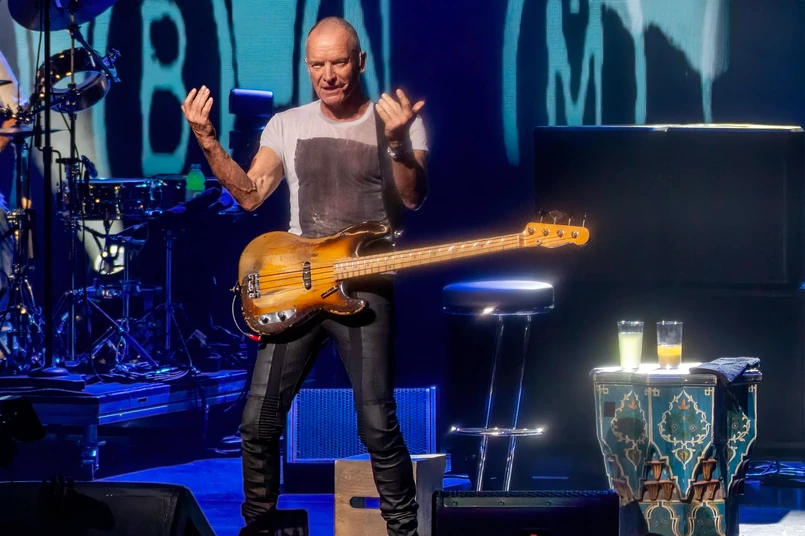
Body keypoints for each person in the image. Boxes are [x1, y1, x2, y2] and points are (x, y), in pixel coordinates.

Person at [182, 16, 428, 536]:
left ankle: (404, 530)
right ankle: (260, 526)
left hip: (364, 285)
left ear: (360, 62)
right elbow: (250, 195)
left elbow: (413, 197)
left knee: (377, 423)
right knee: (257, 422)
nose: (328, 75)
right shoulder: (287, 124)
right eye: (318, 65)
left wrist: (399, 143)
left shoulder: (395, 122)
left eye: (338, 63)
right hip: (297, 284)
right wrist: (206, 139)